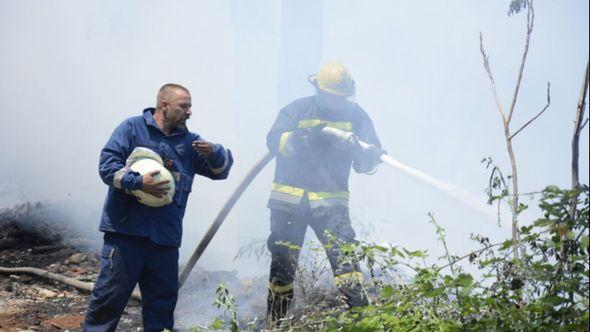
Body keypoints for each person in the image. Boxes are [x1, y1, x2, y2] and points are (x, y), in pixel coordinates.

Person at [83, 83, 233, 331]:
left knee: (161, 312)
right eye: (184, 106)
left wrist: (215, 153)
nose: (190, 112)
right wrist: (139, 183)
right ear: (164, 106)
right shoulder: (132, 129)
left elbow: (221, 172)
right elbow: (107, 167)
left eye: (190, 106)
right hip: (125, 237)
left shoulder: (190, 143)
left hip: (164, 242)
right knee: (107, 305)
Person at [265, 62, 383, 324]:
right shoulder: (297, 110)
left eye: (343, 97)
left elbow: (367, 160)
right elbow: (274, 141)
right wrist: (301, 139)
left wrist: (370, 155)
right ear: (320, 91)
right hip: (288, 204)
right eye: (334, 97)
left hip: (331, 207)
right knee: (283, 267)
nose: (340, 102)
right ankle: (276, 324)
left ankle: (363, 323)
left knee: (347, 268)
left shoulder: (357, 117)